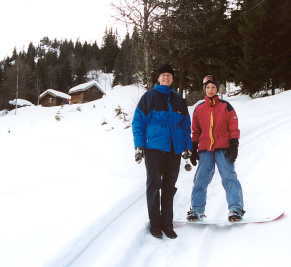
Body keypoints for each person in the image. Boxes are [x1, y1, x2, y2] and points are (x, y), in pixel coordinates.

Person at [132, 64, 192, 239]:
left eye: (169, 75)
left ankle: (167, 224)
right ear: (158, 78)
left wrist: (187, 147)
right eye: (163, 75)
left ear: (172, 79)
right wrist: (139, 145)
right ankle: (155, 224)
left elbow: (185, 126)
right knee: (154, 186)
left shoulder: (178, 99)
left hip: (174, 151)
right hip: (154, 150)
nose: (166, 78)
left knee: (168, 187)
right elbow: (138, 123)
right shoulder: (148, 97)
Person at [187, 76, 245, 222]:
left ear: (217, 89)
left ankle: (235, 209)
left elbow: (233, 127)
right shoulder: (199, 108)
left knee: (229, 177)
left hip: (223, 148)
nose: (211, 90)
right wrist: (194, 148)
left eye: (213, 87)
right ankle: (196, 210)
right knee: (201, 179)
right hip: (205, 149)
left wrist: (234, 144)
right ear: (204, 90)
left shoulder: (226, 106)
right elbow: (196, 130)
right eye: (208, 87)